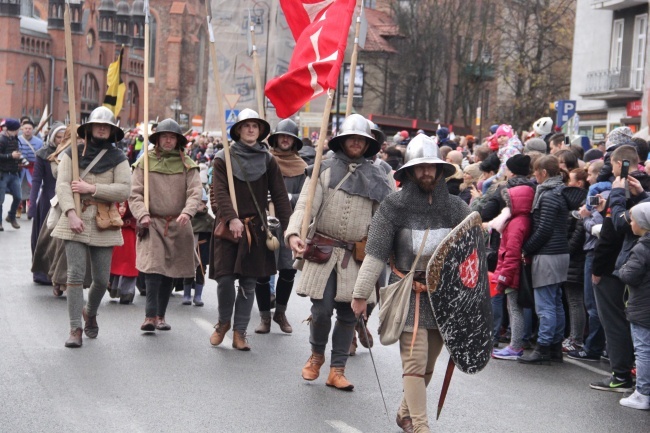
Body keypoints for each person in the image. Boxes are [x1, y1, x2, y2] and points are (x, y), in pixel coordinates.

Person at [351, 133, 468, 432]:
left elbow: (473, 255)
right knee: (414, 365)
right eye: (421, 167)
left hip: (443, 298)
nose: (427, 172)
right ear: (410, 171)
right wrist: (361, 293)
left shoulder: (457, 209)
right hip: (407, 294)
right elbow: (375, 254)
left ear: (441, 170)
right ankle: (420, 426)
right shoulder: (394, 207)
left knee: (427, 367)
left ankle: (405, 410)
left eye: (432, 166)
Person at [286, 114, 393, 390]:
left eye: (361, 139)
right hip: (323, 249)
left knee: (349, 313)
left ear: (368, 143)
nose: (356, 143)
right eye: (351, 138)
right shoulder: (323, 169)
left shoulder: (379, 178)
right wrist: (295, 232)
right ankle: (316, 356)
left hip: (356, 257)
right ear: (342, 141)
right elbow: (305, 206)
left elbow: (383, 222)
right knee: (321, 310)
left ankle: (337, 370)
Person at [208, 109, 292, 351]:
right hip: (228, 226)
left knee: (248, 283)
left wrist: (289, 229)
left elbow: (279, 196)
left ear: (260, 130)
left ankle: (239, 332)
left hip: (256, 228)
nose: (251, 129)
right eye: (246, 126)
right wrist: (231, 218)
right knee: (225, 280)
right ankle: (223, 322)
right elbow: (220, 191)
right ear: (238, 130)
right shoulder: (223, 157)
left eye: (255, 126)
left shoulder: (268, 160)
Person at [51, 106, 131, 348]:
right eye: (98, 125)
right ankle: (75, 327)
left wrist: (92, 189)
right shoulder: (72, 154)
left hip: (104, 221)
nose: (102, 129)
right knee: (74, 275)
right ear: (89, 128)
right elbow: (63, 185)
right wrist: (71, 214)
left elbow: (124, 189)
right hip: (74, 217)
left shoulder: (119, 158)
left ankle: (90, 311)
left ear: (112, 131)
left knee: (101, 279)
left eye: (106, 126)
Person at [129, 118, 203, 332]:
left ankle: (161, 315)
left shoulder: (188, 164)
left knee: (169, 270)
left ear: (178, 140)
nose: (168, 140)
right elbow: (135, 194)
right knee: (153, 269)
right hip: (152, 222)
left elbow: (195, 192)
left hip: (179, 223)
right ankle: (150, 316)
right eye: (164, 136)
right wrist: (142, 215)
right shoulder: (144, 162)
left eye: (172, 137)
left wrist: (188, 212)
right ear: (157, 139)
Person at [254, 118, 307, 334]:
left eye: (289, 137)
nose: (285, 140)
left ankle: (280, 313)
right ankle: (264, 316)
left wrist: (286, 196)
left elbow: (307, 197)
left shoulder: (302, 167)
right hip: (264, 223)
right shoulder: (264, 161)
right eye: (282, 136)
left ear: (294, 142)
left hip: (289, 225)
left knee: (287, 271)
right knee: (263, 272)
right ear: (275, 139)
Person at [518, 155, 569, 364]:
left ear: (544, 173)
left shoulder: (548, 195)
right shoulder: (560, 192)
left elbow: (544, 229)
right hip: (560, 253)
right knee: (555, 302)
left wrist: (526, 248)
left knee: (545, 305)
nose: (533, 175)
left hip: (548, 254)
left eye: (535, 172)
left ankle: (543, 347)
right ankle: (555, 347)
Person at [490, 185, 534, 360]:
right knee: (515, 308)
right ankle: (516, 344)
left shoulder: (517, 223)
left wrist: (504, 277)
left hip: (512, 273)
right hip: (513, 272)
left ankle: (515, 346)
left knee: (515, 309)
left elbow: (512, 253)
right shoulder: (521, 220)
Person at [617, 202, 650, 410]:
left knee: (643, 350)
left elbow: (629, 274)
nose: (630, 223)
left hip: (642, 305)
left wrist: (622, 268)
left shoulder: (642, 247)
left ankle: (642, 393)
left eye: (633, 219)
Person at [29, 122, 66, 283]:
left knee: (61, 240)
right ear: (52, 137)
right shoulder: (43, 154)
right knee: (43, 237)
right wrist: (31, 203)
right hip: (47, 200)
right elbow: (36, 180)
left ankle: (57, 272)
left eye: (63, 137)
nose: (60, 140)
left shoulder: (71, 154)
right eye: (58, 136)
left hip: (65, 199)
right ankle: (41, 271)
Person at [182, 189, 214, 306]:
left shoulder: (208, 219)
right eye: (196, 204)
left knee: (201, 271)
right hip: (190, 247)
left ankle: (198, 296)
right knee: (188, 271)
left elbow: (213, 232)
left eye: (201, 204)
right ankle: (186, 295)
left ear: (205, 204)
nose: (198, 207)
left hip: (203, 248)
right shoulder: (188, 217)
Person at [17, 119, 44, 218]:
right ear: (22, 129)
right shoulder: (17, 140)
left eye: (29, 128)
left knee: (32, 189)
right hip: (20, 169)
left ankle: (30, 209)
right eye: (26, 128)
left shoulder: (39, 142)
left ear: (33, 129)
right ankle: (18, 208)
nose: (27, 130)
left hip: (33, 168)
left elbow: (41, 156)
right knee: (18, 189)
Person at [0, 118, 23, 231]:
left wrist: (18, 157)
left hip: (14, 173)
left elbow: (15, 152)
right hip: (2, 174)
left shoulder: (15, 139)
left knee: (18, 197)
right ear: (13, 129)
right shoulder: (1, 139)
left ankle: (11, 216)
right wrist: (10, 156)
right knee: (0, 200)